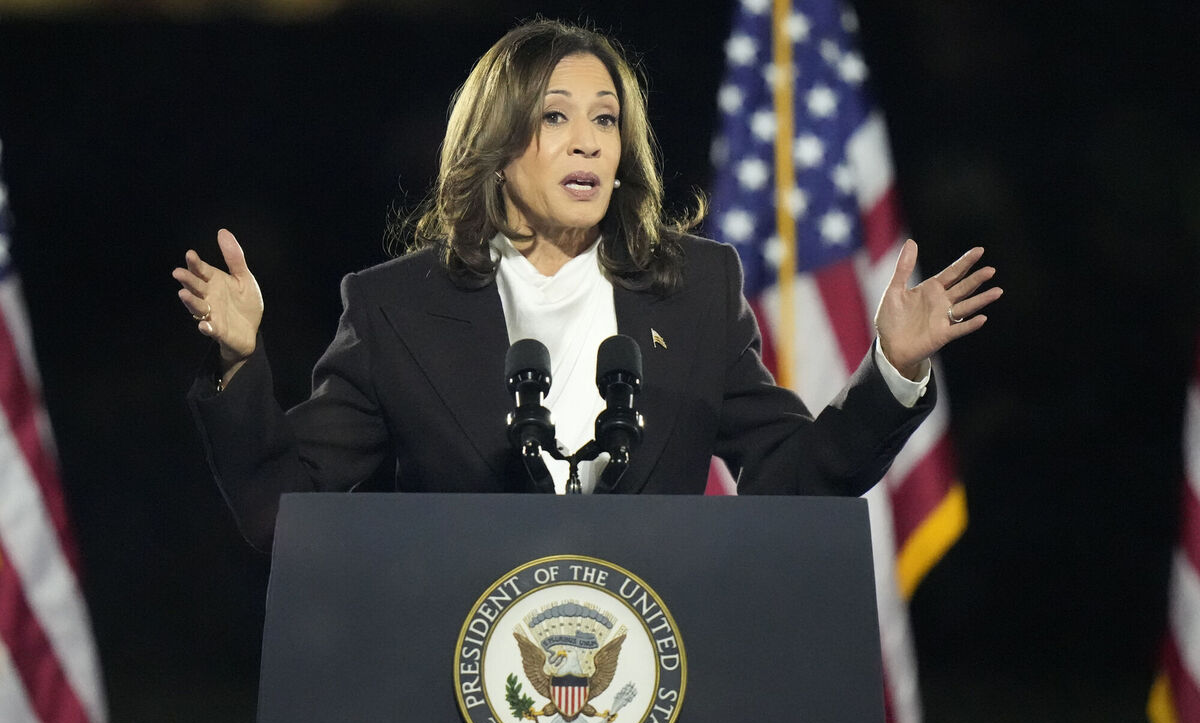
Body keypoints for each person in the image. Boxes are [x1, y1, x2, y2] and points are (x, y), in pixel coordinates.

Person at [172, 20, 1001, 552]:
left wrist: (891, 369)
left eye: (605, 119)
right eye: (556, 117)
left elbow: (793, 476)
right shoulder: (395, 308)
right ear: (498, 146)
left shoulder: (696, 288)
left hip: (655, 686)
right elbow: (285, 514)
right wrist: (242, 362)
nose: (588, 142)